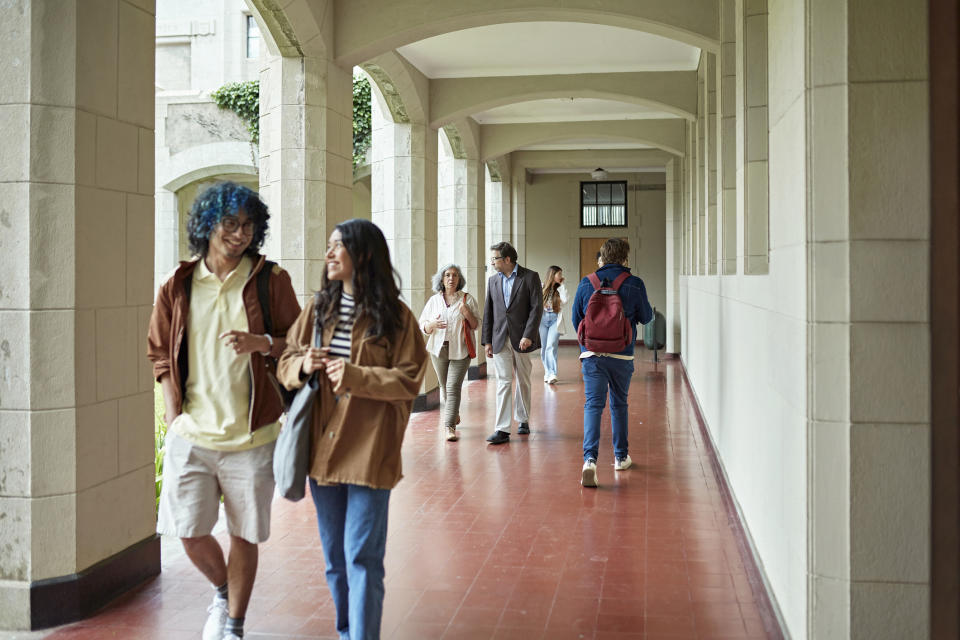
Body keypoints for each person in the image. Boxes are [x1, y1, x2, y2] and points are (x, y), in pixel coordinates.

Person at [147, 182, 301, 640]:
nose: (240, 234)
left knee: (243, 534)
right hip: (192, 434)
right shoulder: (177, 285)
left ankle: (233, 623)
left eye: (248, 225)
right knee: (189, 532)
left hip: (252, 437)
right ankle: (222, 589)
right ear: (207, 226)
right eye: (230, 224)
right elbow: (159, 352)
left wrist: (263, 344)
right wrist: (174, 417)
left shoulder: (271, 281)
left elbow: (298, 342)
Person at [276, 219, 427, 640]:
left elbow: (412, 378)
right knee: (335, 560)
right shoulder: (317, 310)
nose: (328, 254)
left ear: (362, 254)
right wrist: (303, 364)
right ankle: (347, 632)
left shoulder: (394, 317)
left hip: (369, 450)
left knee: (362, 556)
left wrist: (359, 376)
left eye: (336, 246)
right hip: (322, 452)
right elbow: (286, 360)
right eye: (328, 246)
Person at [571, 237, 652, 488]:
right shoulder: (635, 284)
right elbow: (647, 317)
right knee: (619, 404)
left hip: (592, 355)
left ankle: (589, 461)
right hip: (622, 353)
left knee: (593, 406)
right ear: (625, 258)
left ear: (603, 258)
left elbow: (577, 320)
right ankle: (620, 457)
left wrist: (592, 342)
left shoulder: (587, 283)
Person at [481, 241, 543, 444]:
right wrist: (487, 340)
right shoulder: (492, 281)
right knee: (503, 382)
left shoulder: (530, 277)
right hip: (499, 338)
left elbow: (536, 308)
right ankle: (502, 429)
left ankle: (523, 419)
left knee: (523, 379)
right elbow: (488, 311)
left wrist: (529, 335)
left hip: (523, 338)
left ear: (507, 259)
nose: (492, 263)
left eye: (495, 259)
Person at [419, 263, 481, 441]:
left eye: (454, 275)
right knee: (444, 387)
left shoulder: (467, 299)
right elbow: (423, 325)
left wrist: (467, 312)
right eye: (447, 275)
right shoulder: (434, 301)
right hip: (438, 350)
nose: (451, 278)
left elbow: (476, 325)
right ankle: (453, 414)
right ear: (442, 279)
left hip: (461, 350)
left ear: (459, 279)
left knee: (453, 387)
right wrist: (431, 325)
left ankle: (449, 427)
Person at [539, 265, 568, 384]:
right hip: (542, 320)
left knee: (551, 346)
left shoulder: (560, 288)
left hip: (555, 319)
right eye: (559, 274)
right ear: (552, 274)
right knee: (544, 348)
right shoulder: (541, 286)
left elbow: (565, 301)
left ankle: (552, 373)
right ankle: (547, 372)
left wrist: (562, 286)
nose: (561, 276)